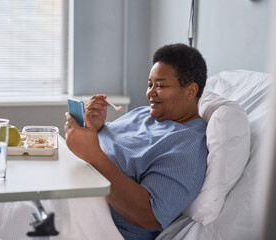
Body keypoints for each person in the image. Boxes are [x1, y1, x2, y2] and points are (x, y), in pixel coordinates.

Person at [64, 43, 208, 239]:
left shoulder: (187, 146)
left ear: (191, 91)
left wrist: (94, 156)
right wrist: (96, 128)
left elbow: (148, 216)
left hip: (90, 219)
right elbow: (111, 147)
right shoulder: (144, 114)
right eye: (150, 84)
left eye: (160, 85)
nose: (149, 93)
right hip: (68, 183)